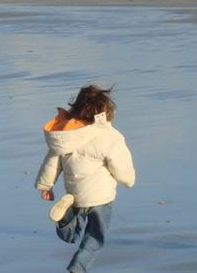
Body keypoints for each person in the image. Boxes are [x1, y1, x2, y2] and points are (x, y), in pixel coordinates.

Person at [36, 85, 136, 273]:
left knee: (71, 236)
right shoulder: (109, 136)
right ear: (105, 111)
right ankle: (78, 268)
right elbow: (121, 166)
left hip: (74, 194)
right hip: (101, 198)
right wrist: (128, 180)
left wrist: (46, 185)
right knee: (94, 238)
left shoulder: (66, 135)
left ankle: (64, 220)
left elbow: (52, 161)